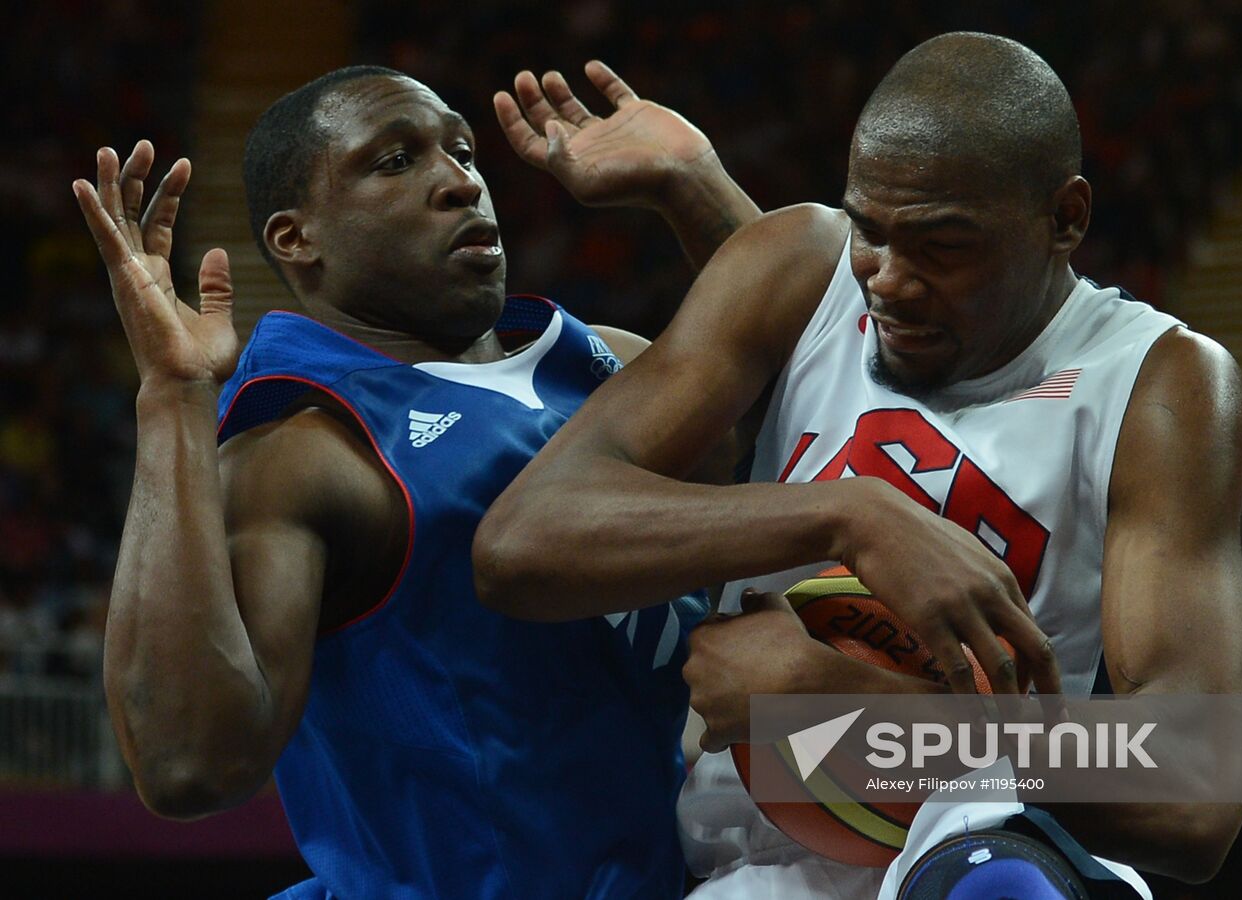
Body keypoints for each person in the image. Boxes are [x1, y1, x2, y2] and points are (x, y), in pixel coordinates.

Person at [474, 32, 1242, 896]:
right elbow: (519, 545)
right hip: (735, 864)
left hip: (969, 846)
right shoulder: (804, 264)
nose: (888, 280)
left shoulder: (1159, 384)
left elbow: (1193, 792)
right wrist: (849, 513)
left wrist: (839, 708)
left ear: (1065, 219)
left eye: (942, 247)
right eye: (871, 232)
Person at [72, 62, 758, 899]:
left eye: (462, 151)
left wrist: (692, 183)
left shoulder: (607, 361)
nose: (459, 182)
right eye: (394, 161)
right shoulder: (307, 453)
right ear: (298, 238)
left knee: (931, 768)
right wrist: (174, 398)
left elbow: (815, 424)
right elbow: (188, 769)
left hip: (709, 869)